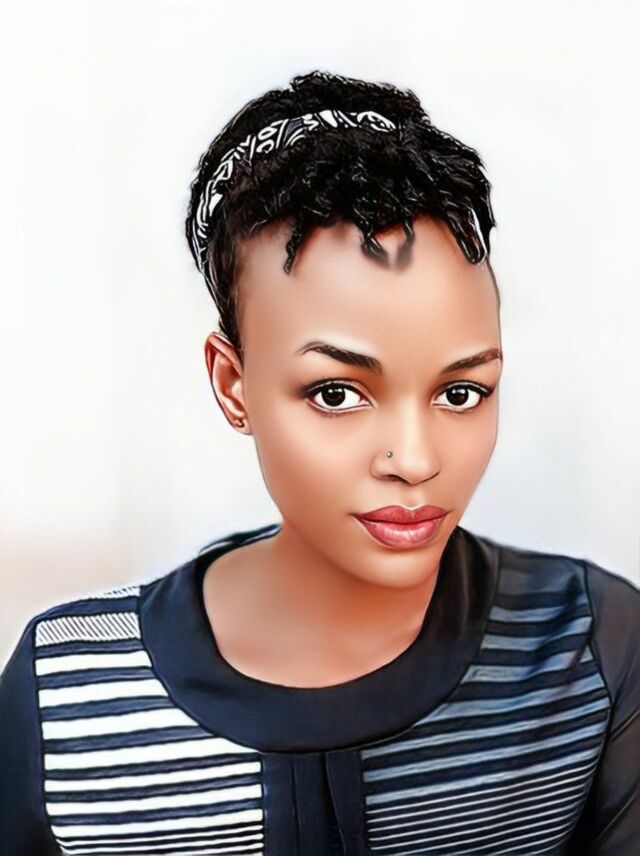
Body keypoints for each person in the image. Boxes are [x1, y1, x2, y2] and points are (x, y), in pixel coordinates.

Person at [0, 69, 638, 856]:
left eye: (462, 392)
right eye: (337, 394)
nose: (415, 459)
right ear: (233, 384)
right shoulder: (67, 693)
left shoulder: (589, 649)